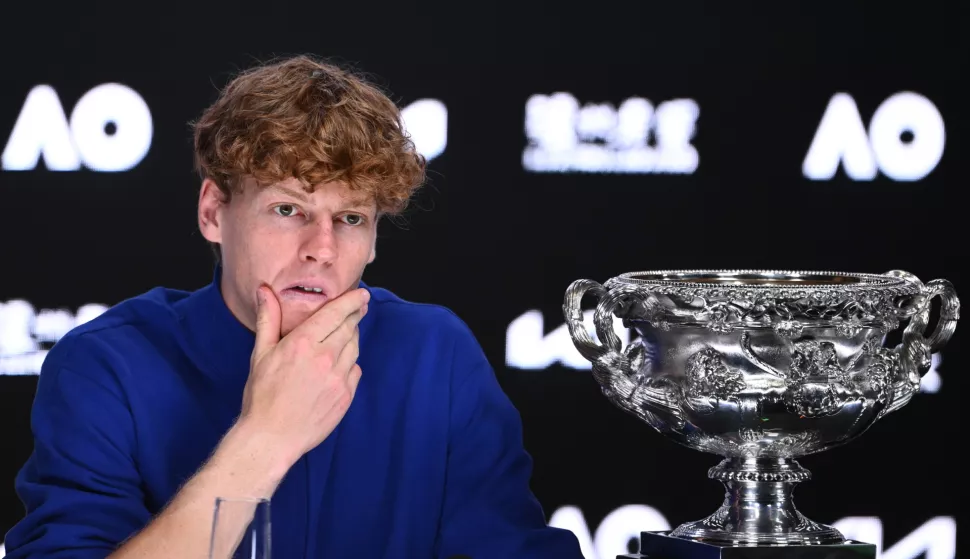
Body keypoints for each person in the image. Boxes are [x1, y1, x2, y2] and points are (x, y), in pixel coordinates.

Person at [3, 55, 583, 559]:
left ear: (374, 239)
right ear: (213, 212)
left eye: (350, 218)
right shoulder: (105, 366)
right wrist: (265, 438)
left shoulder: (436, 356)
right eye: (288, 210)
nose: (321, 249)